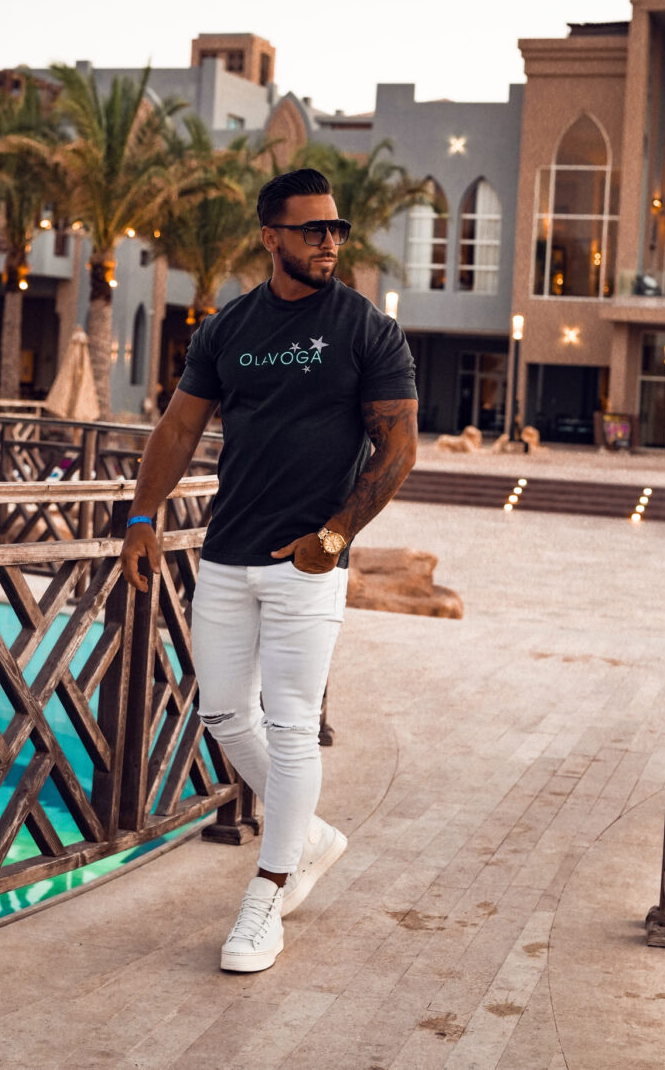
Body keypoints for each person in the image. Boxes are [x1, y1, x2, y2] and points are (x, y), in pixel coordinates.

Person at [119, 168, 419, 973]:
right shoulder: (228, 328)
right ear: (270, 237)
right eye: (313, 229)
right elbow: (178, 429)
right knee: (223, 713)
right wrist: (142, 517)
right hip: (226, 554)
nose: (329, 242)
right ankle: (310, 833)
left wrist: (336, 535)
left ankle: (268, 891)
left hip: (306, 565)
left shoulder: (367, 330)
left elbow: (398, 449)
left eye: (336, 229)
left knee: (290, 725)